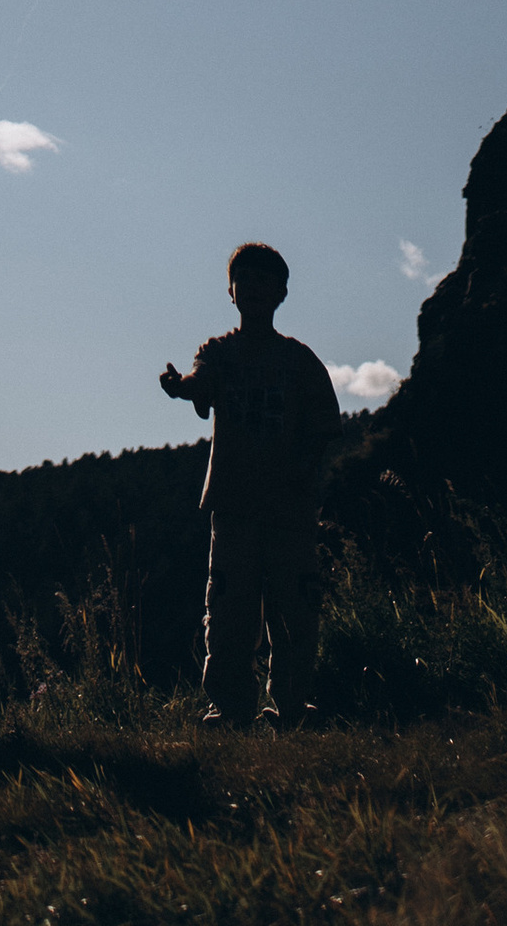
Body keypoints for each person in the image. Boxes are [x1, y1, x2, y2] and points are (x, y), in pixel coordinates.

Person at [160, 240, 343, 726]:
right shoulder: (218, 354)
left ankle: (292, 704)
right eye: (247, 279)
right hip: (234, 508)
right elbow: (201, 383)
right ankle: (232, 708)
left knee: (294, 610)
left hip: (290, 512)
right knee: (228, 612)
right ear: (231, 291)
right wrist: (181, 388)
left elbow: (326, 424)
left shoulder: (300, 361)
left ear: (282, 293)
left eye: (266, 280)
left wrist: (305, 472)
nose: (256, 287)